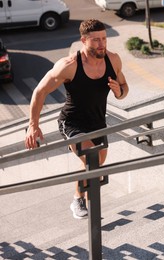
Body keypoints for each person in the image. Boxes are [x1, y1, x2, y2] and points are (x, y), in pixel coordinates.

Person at [24, 19, 129, 219]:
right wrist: (32, 125)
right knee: (93, 162)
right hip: (72, 123)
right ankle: (85, 205)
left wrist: (119, 91)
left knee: (93, 164)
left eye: (104, 39)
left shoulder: (113, 60)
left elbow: (124, 88)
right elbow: (40, 91)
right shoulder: (69, 65)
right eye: (96, 40)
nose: (102, 44)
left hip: (98, 122)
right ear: (84, 40)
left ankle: (78, 197)